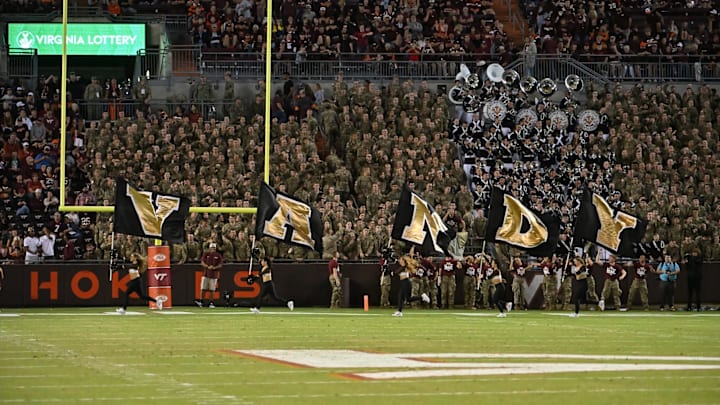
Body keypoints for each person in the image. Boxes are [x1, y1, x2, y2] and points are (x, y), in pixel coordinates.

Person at [393, 247, 430, 317]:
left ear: (404, 261)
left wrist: (403, 274)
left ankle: (422, 297)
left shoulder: (407, 268)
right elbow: (398, 273)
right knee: (400, 297)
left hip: (406, 283)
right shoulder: (402, 268)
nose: (399, 261)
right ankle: (399, 311)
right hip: (403, 283)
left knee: (408, 299)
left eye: (401, 260)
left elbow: (403, 275)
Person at [195, 242, 223, 308]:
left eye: (214, 248)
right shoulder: (206, 254)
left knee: (212, 289)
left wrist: (214, 267)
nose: (213, 249)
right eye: (212, 248)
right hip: (206, 274)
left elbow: (220, 264)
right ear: (209, 248)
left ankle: (211, 302)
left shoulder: (218, 255)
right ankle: (201, 301)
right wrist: (207, 266)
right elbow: (202, 262)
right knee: (203, 288)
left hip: (214, 275)